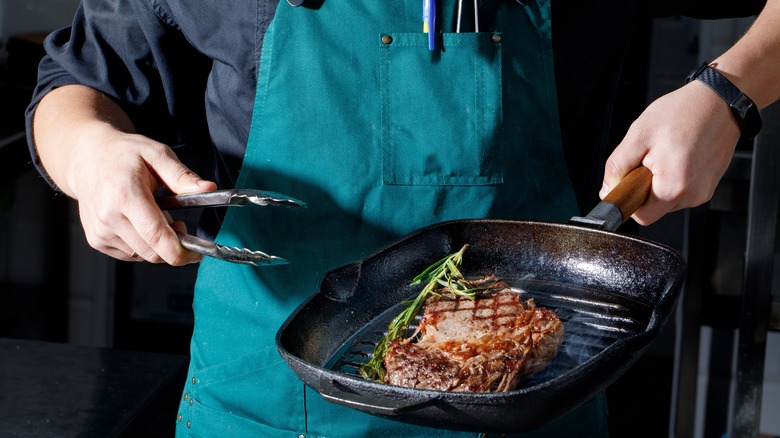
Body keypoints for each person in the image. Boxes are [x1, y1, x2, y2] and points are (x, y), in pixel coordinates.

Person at [25, 0, 779, 436]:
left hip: (535, 405)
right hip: (260, 405)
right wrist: (91, 154)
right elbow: (79, 81)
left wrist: (730, 92)